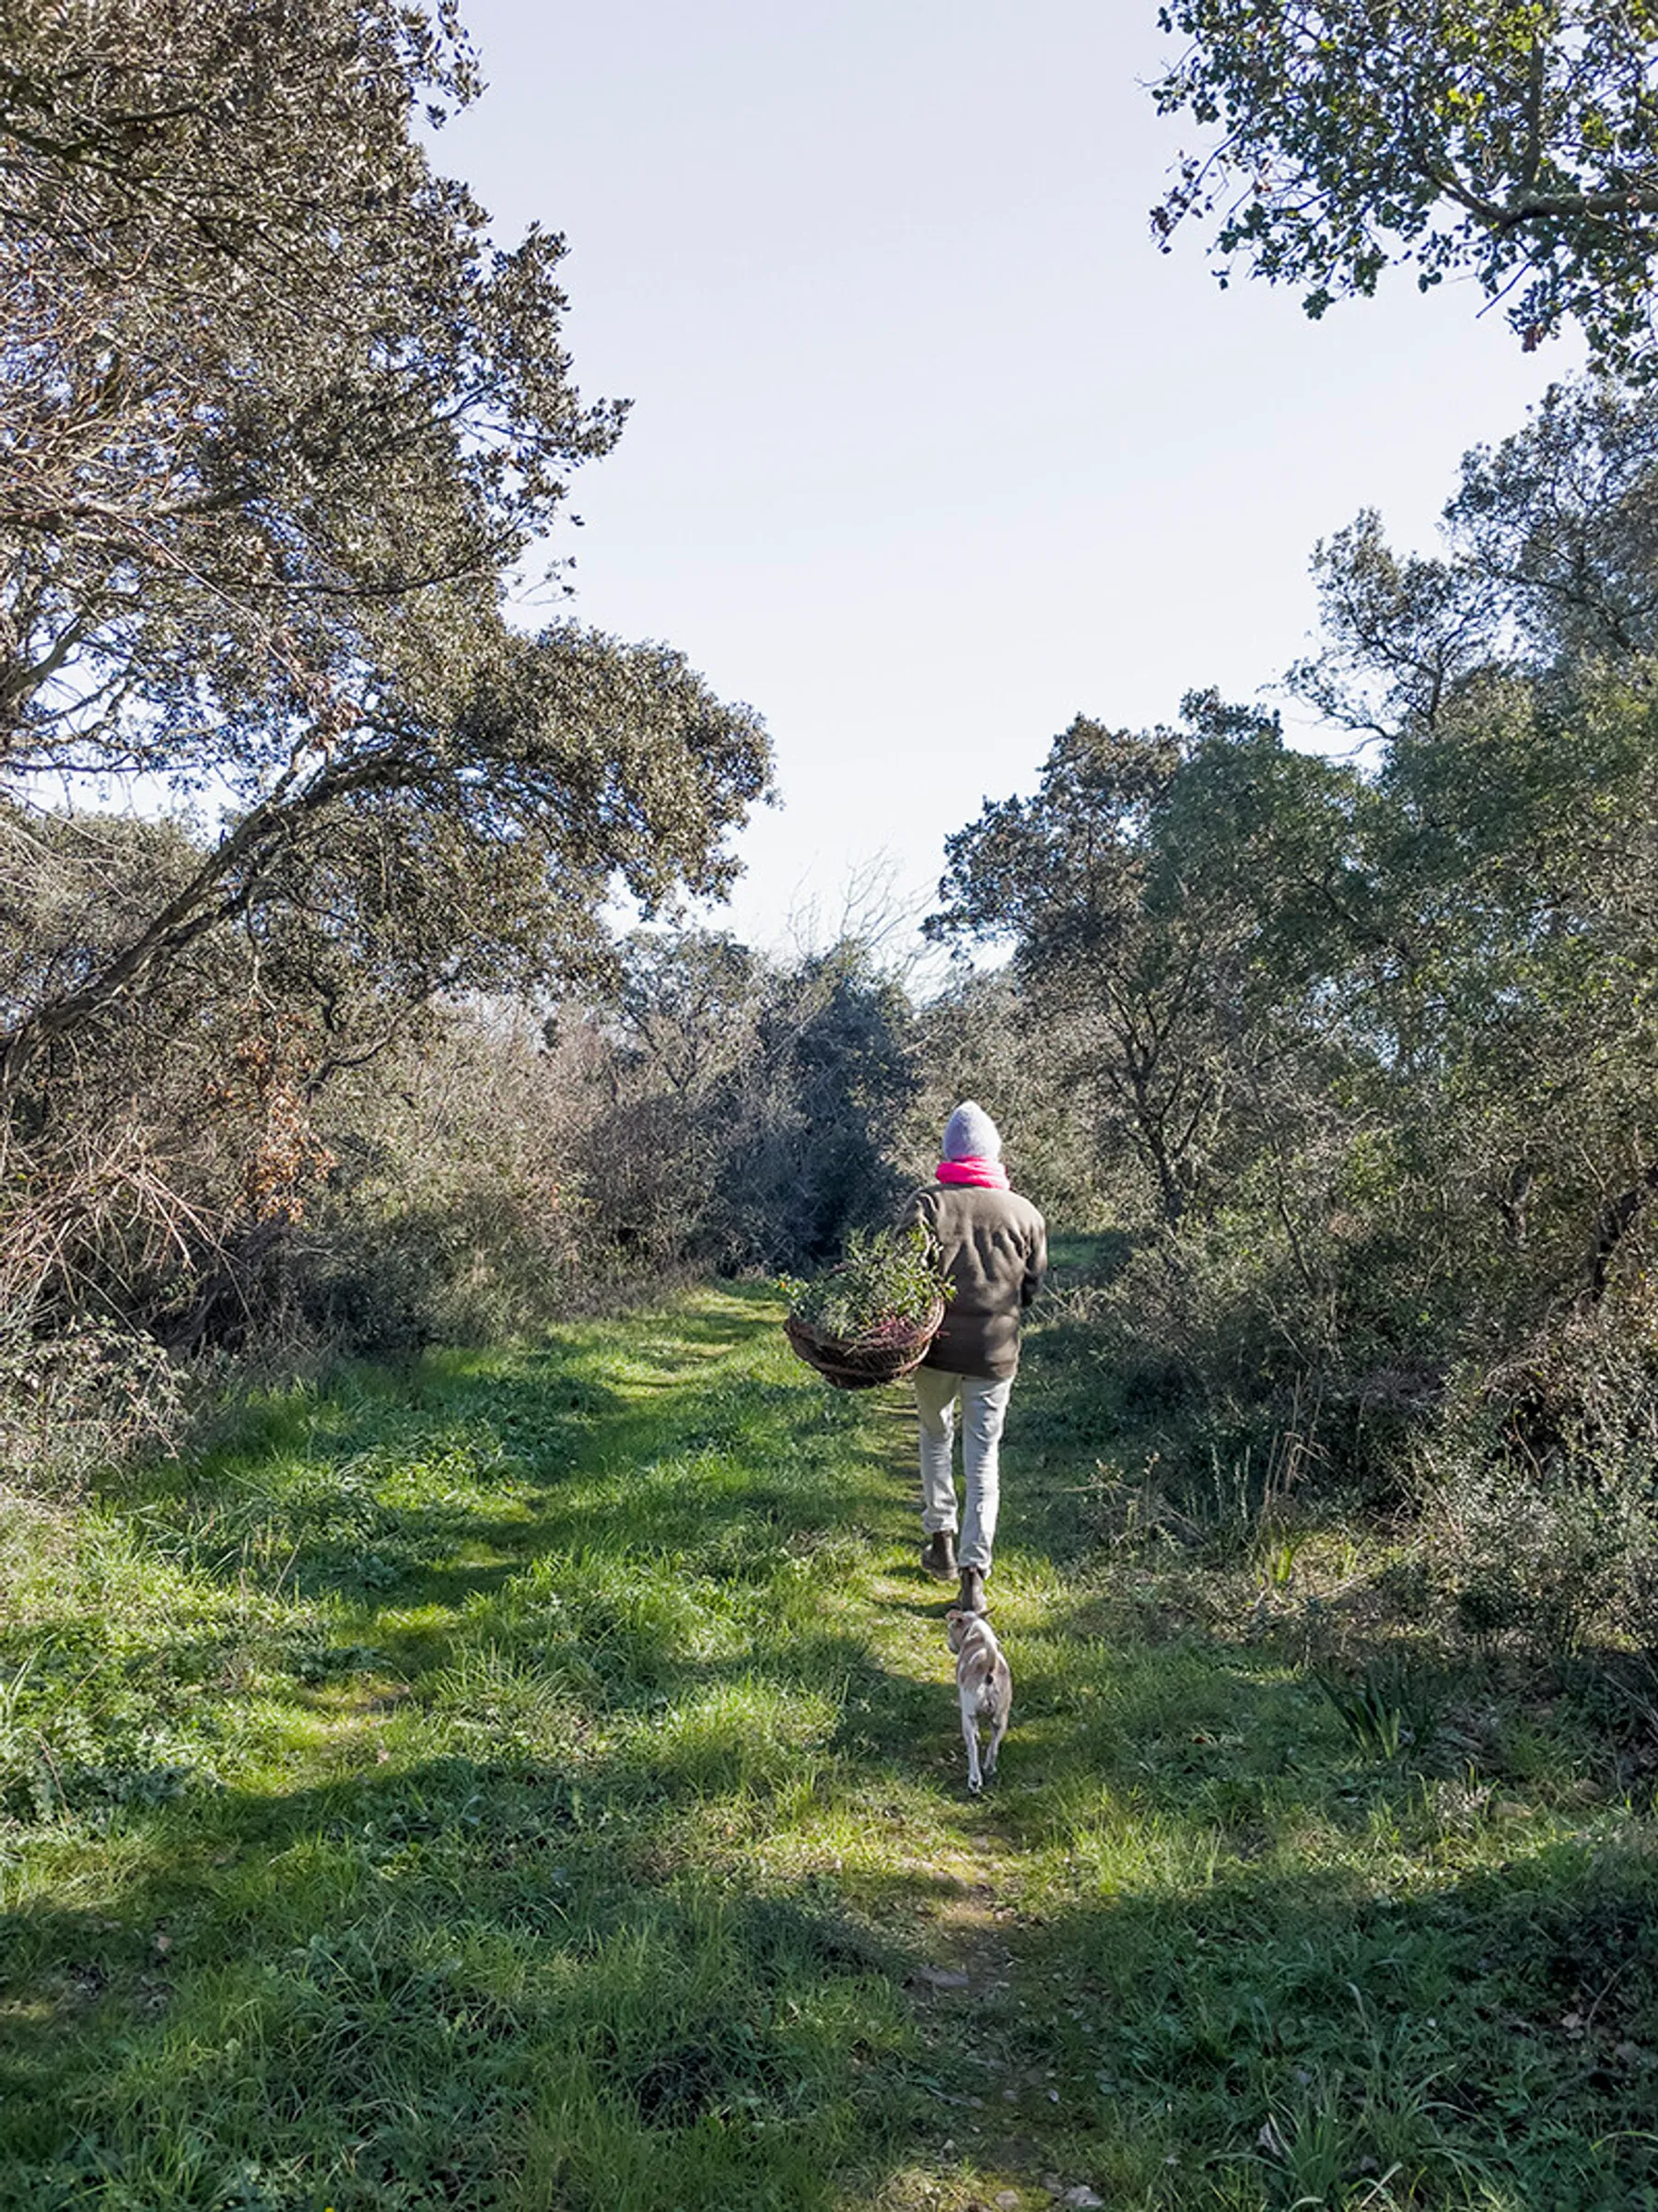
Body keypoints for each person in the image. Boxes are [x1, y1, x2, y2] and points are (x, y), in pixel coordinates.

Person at [903, 1101, 1046, 1616]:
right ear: (993, 1153)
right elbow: (1031, 1288)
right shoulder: (1026, 1213)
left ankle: (939, 1538)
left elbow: (905, 1284)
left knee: (935, 1437)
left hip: (934, 1352)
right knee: (983, 1460)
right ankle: (972, 1576)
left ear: (948, 1152)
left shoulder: (928, 1206)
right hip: (995, 1354)